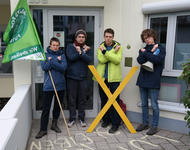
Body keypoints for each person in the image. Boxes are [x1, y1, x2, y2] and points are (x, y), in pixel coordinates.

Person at [36, 37, 67, 139]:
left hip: (60, 86)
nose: (55, 47)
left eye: (57, 45)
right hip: (48, 86)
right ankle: (43, 129)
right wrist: (56, 61)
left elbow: (63, 68)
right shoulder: (45, 55)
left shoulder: (62, 55)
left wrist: (51, 61)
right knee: (46, 108)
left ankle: (54, 125)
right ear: (50, 45)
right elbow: (44, 68)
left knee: (57, 107)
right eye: (53, 45)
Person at [136, 29, 166, 135]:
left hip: (154, 80)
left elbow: (157, 60)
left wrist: (147, 53)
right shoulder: (143, 49)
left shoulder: (160, 48)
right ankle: (145, 123)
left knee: (154, 105)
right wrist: (150, 52)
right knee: (144, 104)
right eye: (145, 38)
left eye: (148, 37)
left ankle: (154, 126)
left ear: (153, 36)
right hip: (143, 80)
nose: (147, 40)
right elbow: (139, 60)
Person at [96, 28, 122, 133]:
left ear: (113, 37)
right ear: (104, 37)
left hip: (114, 79)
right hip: (102, 78)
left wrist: (105, 52)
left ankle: (115, 124)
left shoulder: (118, 47)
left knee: (115, 101)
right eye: (106, 36)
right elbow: (101, 60)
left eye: (110, 37)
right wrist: (111, 53)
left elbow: (117, 60)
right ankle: (106, 120)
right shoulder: (100, 47)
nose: (108, 38)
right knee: (104, 100)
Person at [66, 29, 92, 128]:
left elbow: (89, 60)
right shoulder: (70, 47)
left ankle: (82, 118)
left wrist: (83, 52)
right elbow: (71, 57)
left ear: (85, 38)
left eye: (83, 37)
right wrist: (81, 52)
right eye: (79, 37)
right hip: (72, 77)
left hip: (83, 78)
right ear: (76, 38)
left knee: (82, 99)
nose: (81, 39)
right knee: (72, 99)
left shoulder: (87, 48)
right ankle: (72, 119)